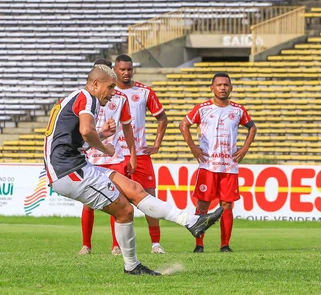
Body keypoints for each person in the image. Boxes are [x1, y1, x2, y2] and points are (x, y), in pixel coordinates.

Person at [43, 65, 223, 275]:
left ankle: (192, 222)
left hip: (73, 166)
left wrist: (100, 135)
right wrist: (104, 146)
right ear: (95, 84)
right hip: (70, 171)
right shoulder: (88, 98)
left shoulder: (72, 98)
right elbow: (85, 131)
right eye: (110, 87)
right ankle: (132, 266)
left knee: (135, 189)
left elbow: (75, 139)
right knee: (125, 211)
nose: (112, 93)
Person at [179, 72, 257, 253]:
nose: (223, 88)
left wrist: (244, 149)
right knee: (203, 205)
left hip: (229, 166)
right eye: (219, 85)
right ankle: (199, 245)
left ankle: (225, 245)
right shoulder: (203, 108)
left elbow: (252, 127)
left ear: (231, 88)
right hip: (208, 166)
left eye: (226, 85)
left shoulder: (238, 110)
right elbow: (184, 125)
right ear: (212, 88)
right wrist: (193, 148)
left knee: (227, 205)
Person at [79, 58, 137, 255]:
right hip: (90, 155)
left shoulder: (120, 98)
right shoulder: (84, 97)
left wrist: (133, 154)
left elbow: (128, 128)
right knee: (89, 204)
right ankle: (86, 245)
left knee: (118, 201)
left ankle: (116, 246)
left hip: (114, 157)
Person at [114, 54, 168, 254]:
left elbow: (162, 118)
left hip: (141, 155)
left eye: (129, 69)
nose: (126, 73)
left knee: (149, 199)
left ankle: (156, 244)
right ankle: (116, 246)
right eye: (122, 69)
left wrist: (156, 144)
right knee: (116, 200)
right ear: (115, 70)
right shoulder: (109, 93)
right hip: (117, 156)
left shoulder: (144, 92)